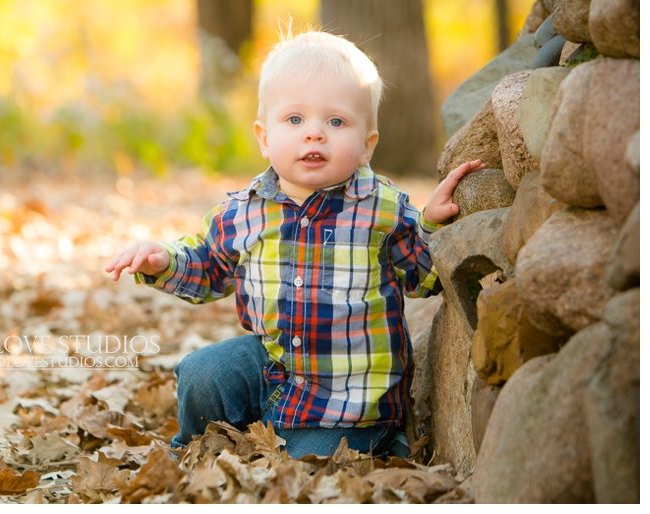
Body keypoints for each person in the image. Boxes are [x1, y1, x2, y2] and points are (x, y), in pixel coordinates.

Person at [105, 30, 484, 459]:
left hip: (345, 403)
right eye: (295, 120)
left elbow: (424, 279)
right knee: (203, 372)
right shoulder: (243, 212)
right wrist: (161, 260)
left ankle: (377, 441)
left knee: (304, 465)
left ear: (366, 146)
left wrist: (431, 224)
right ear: (264, 137)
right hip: (274, 368)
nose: (314, 135)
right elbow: (208, 267)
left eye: (336, 122)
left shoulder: (383, 209)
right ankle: (195, 450)